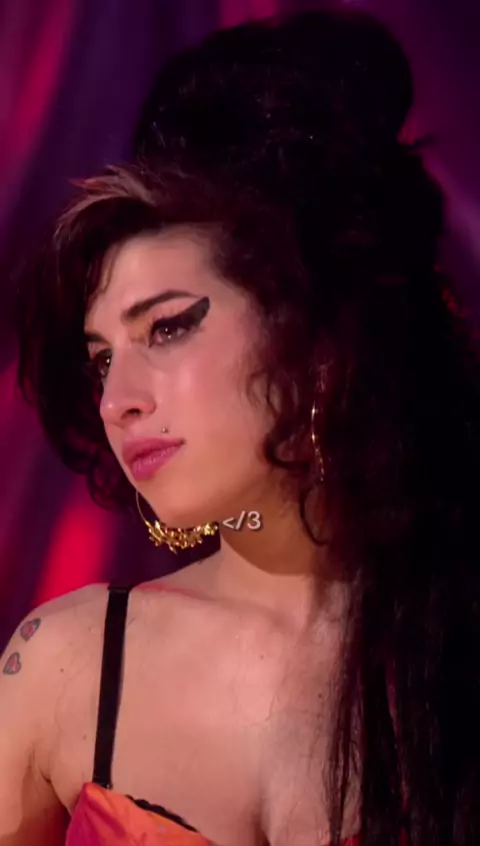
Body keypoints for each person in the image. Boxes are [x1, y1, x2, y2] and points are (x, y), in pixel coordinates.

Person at [3, 7, 480, 846]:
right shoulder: (64, 665)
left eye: (168, 327)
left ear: (319, 341)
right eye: (101, 359)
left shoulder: (452, 641)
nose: (119, 400)